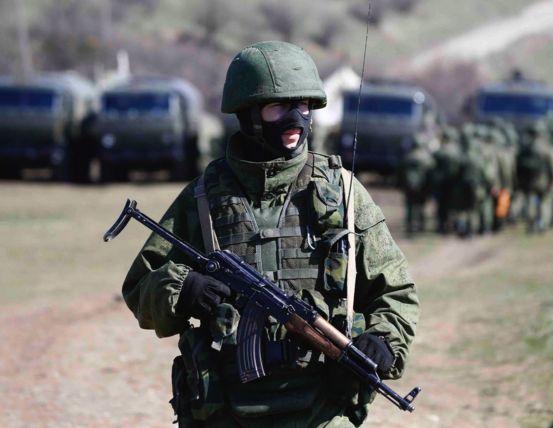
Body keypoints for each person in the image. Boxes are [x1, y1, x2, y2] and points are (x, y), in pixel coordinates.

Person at [120, 41, 419, 428]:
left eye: (304, 106)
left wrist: (383, 340)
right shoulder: (205, 197)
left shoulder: (343, 193)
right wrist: (184, 289)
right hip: (226, 412)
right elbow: (139, 289)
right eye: (279, 106)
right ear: (247, 113)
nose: (296, 119)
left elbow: (396, 292)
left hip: (323, 412)